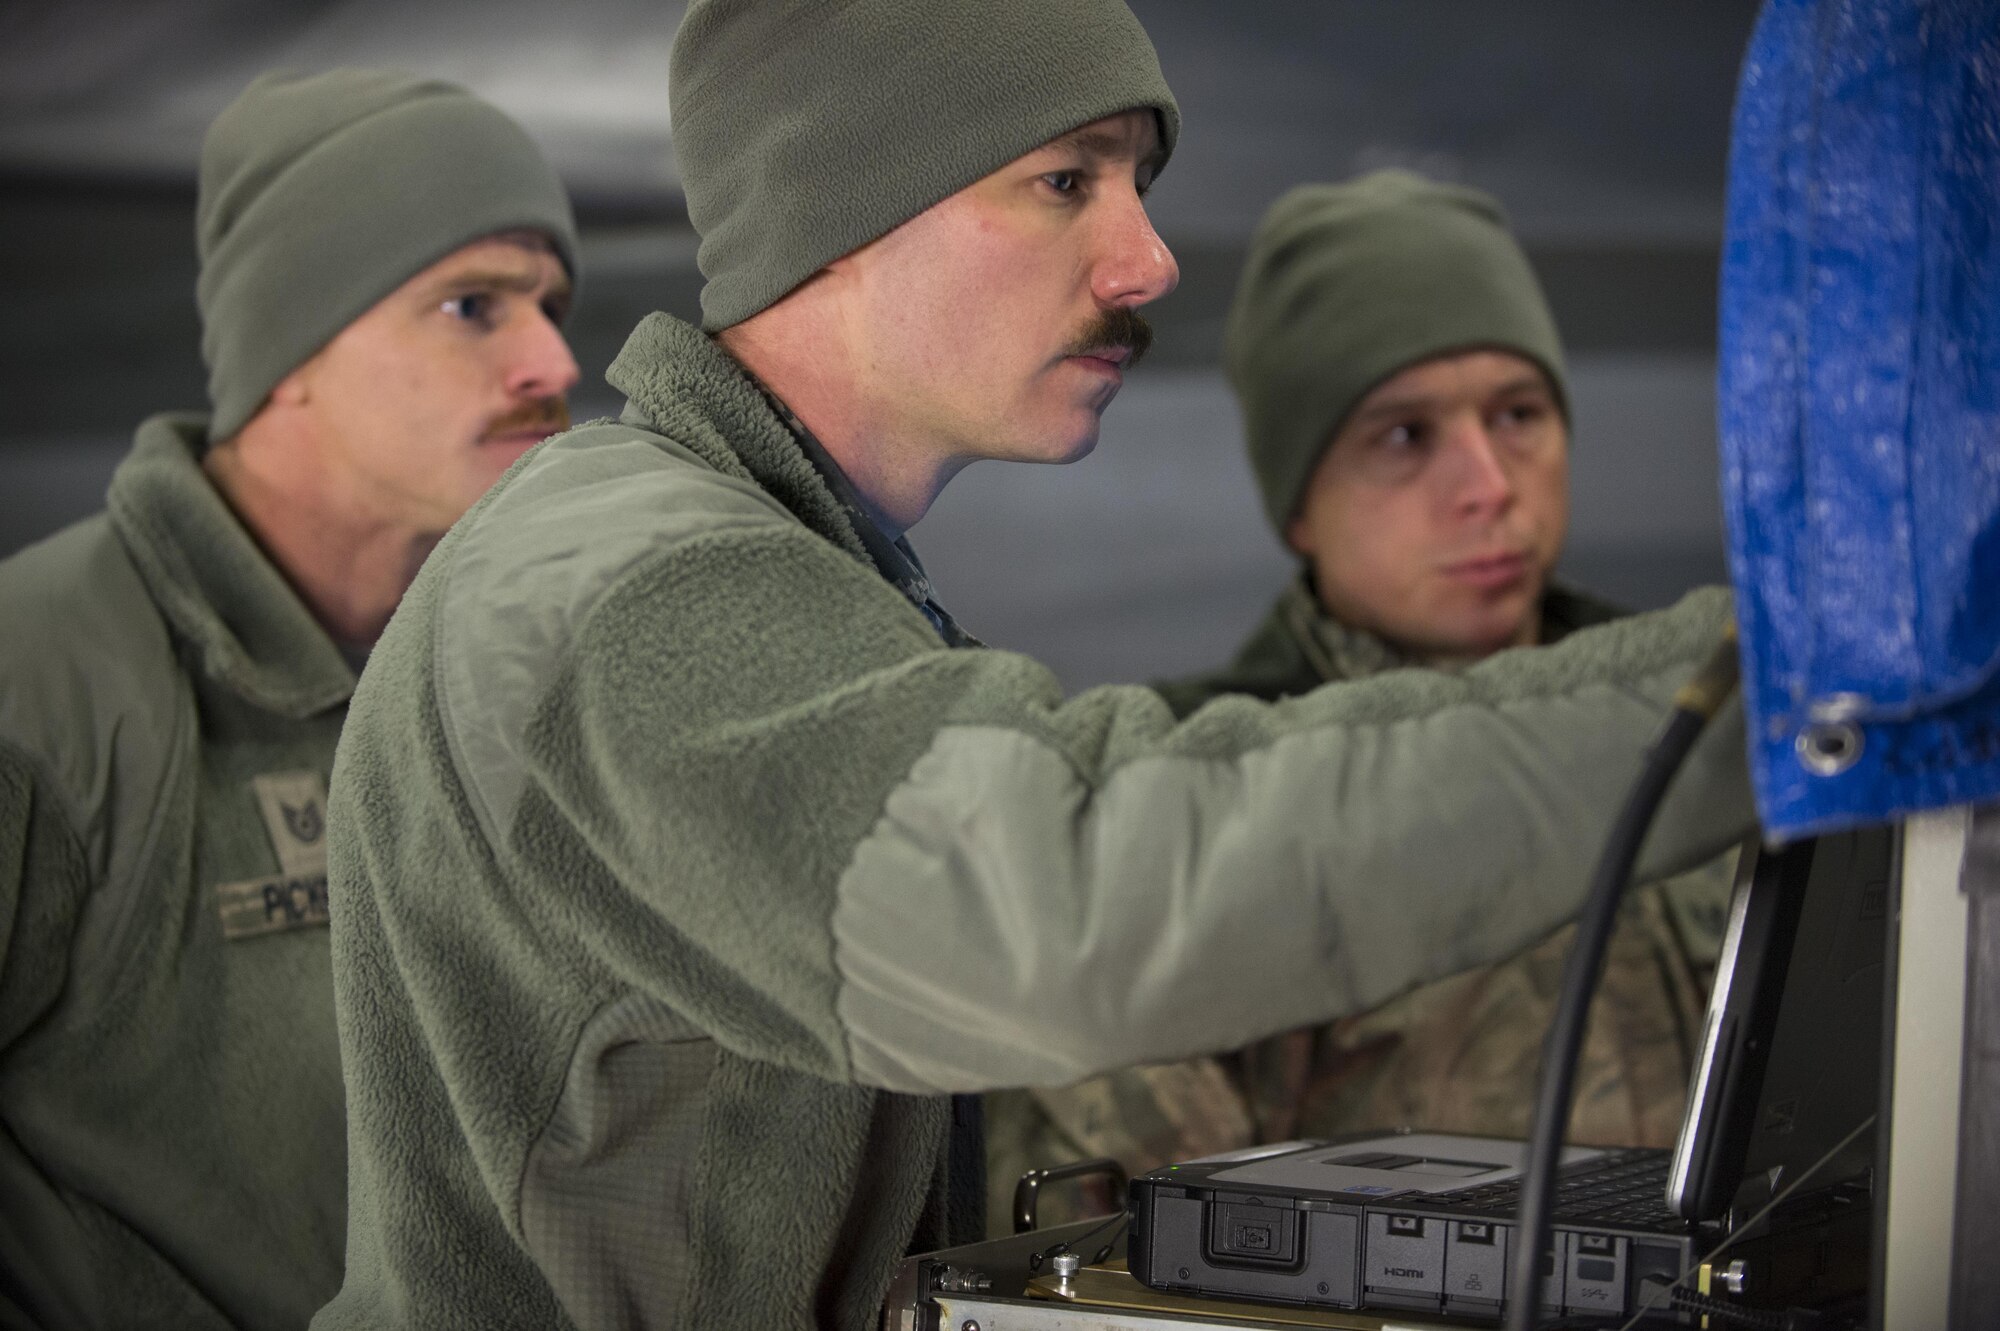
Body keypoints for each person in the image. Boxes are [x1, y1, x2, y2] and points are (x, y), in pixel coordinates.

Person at [315, 6, 1751, 1328]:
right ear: (842, 206)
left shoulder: (798, 571)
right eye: (1068, 180)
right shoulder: (628, 579)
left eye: (1139, 182)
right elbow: (1063, 898)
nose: (1151, 260)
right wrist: (1779, 686)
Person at [986, 173, 1736, 1229]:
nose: (1486, 482)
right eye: (1403, 435)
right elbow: (1121, 1256)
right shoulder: (1193, 801)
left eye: (1517, 413)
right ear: (1298, 502)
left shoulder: (1711, 723)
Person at [0, 69, 579, 1330]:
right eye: (472, 303)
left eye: (551, 302)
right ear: (292, 349)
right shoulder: (38, 689)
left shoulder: (511, 681)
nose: (552, 358)